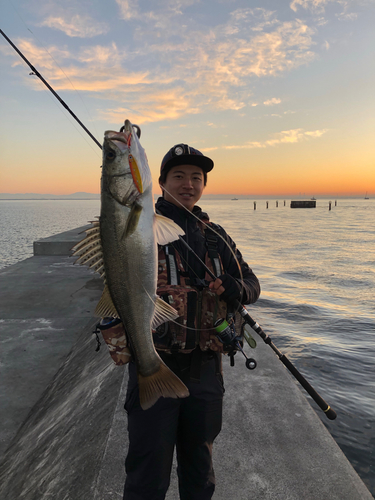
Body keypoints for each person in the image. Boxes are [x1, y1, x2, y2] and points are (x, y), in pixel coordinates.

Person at [123, 144, 261, 500]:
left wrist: (236, 287)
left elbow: (252, 285)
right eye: (179, 176)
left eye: (196, 177)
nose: (188, 184)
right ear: (161, 182)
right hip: (155, 364)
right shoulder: (138, 226)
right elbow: (116, 280)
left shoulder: (217, 236)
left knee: (200, 471)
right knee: (146, 473)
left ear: (204, 185)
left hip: (205, 373)